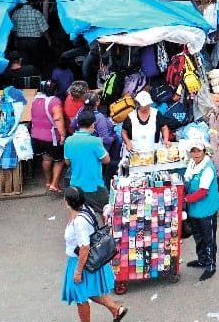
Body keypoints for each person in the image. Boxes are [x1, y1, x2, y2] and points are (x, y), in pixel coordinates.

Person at [61, 186, 127, 322]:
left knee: (80, 297)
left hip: (80, 262)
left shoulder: (79, 222)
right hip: (86, 260)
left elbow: (84, 247)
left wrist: (78, 272)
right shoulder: (86, 210)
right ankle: (116, 310)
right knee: (88, 292)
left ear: (67, 202)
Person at [183, 140, 219, 281]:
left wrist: (185, 200)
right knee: (198, 236)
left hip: (206, 210)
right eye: (193, 151)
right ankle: (202, 259)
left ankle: (211, 265)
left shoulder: (208, 168)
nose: (196, 153)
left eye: (198, 151)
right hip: (195, 210)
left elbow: (202, 192)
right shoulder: (192, 164)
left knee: (208, 238)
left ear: (204, 151)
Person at [65, 112, 110, 213]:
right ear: (93, 124)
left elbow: (67, 162)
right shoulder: (95, 141)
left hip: (76, 186)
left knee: (79, 213)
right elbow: (106, 160)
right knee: (106, 211)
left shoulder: (69, 141)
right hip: (94, 185)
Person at [30, 80, 67, 194]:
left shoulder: (36, 99)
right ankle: (54, 184)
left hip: (36, 136)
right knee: (59, 160)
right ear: (56, 90)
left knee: (46, 158)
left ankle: (47, 181)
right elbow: (58, 118)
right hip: (51, 138)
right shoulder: (55, 101)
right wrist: (62, 135)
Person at [121, 91, 168, 160]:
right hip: (135, 153)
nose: (146, 107)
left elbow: (164, 128)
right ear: (138, 104)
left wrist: (166, 140)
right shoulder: (131, 116)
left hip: (154, 152)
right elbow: (123, 132)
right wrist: (127, 142)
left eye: (147, 105)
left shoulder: (156, 114)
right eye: (143, 105)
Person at [11, 0, 50, 71]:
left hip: (21, 41)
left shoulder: (16, 13)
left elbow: (14, 30)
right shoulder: (37, 13)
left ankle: (27, 77)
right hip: (35, 41)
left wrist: (15, 40)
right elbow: (44, 29)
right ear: (31, 3)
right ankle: (37, 76)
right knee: (37, 61)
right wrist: (48, 40)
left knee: (25, 62)